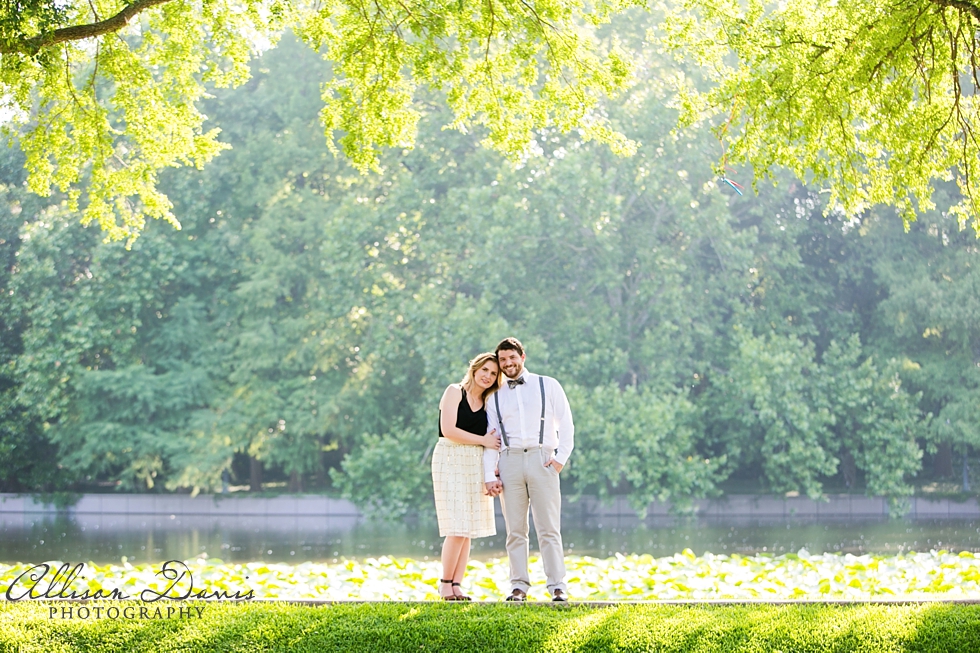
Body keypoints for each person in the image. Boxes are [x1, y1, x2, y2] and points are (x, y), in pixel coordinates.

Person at [483, 337, 574, 602]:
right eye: (502, 360)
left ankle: (557, 586)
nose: (508, 363)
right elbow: (492, 438)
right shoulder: (494, 397)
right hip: (509, 460)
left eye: (512, 358)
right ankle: (518, 586)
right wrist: (490, 474)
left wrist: (560, 459)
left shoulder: (548, 385)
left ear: (523, 357)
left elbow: (566, 423)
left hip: (542, 458)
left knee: (548, 527)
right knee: (515, 530)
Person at [431, 352, 502, 601]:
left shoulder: (490, 401)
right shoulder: (454, 392)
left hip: (475, 462)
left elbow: (495, 438)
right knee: (456, 524)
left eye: (493, 373)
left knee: (468, 526)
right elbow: (449, 429)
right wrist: (482, 440)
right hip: (450, 458)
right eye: (485, 370)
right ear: (474, 369)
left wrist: (494, 468)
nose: (488, 376)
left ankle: (457, 584)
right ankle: (445, 583)